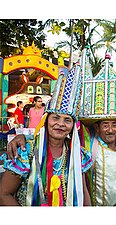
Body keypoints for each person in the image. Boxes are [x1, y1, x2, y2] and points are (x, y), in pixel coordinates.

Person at [0, 65, 92, 206]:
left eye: (67, 120)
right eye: (55, 118)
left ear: (73, 126)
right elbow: (3, 194)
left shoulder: (77, 154)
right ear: (46, 120)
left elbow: (83, 193)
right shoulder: (26, 151)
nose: (61, 124)